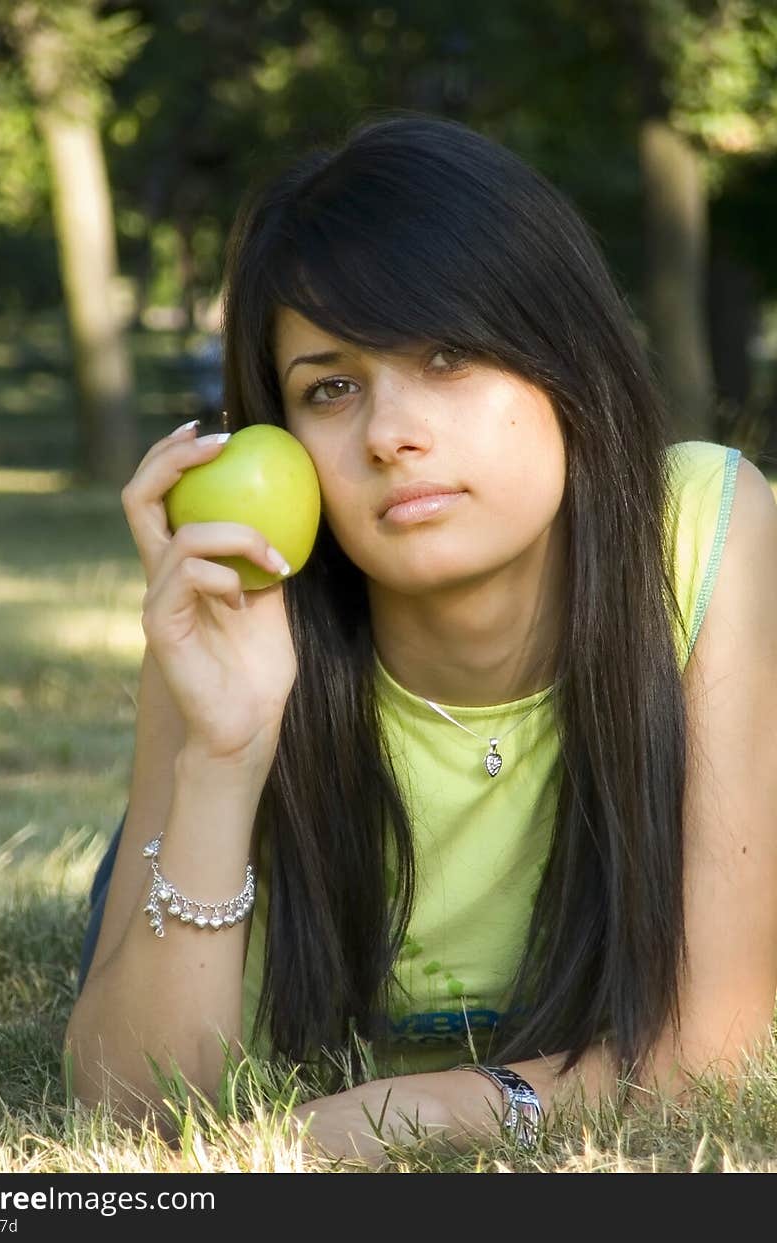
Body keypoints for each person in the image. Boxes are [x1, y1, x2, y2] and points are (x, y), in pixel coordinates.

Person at [65, 112, 777, 1169]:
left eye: (446, 355)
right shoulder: (239, 606)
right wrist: (223, 754)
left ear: (561, 358)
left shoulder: (704, 529)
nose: (390, 431)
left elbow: (713, 1059)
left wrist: (435, 1106)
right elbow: (128, 1113)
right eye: (330, 386)